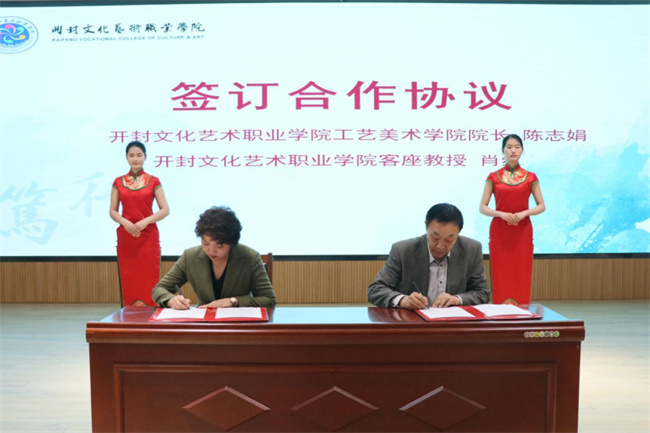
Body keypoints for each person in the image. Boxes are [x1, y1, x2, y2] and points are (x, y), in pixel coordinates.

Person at [368, 203, 490, 309]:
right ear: (426, 226)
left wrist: (457, 299)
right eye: (435, 237)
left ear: (459, 232)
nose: (440, 246)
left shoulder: (471, 249)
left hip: (454, 324)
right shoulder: (403, 250)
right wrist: (404, 300)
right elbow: (376, 290)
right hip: (414, 323)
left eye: (449, 239)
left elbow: (483, 293)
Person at [152, 206, 276, 309]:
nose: (211, 250)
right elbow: (159, 288)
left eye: (219, 246)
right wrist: (171, 300)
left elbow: (269, 300)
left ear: (231, 242)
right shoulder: (190, 256)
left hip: (238, 323)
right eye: (205, 243)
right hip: (204, 322)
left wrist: (234, 301)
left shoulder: (250, 257)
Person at [480, 134, 546, 304]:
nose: (513, 151)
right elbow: (483, 207)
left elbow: (541, 206)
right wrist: (501, 214)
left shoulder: (531, 177)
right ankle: (500, 310)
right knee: (500, 271)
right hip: (500, 231)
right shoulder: (493, 177)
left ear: (522, 150)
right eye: (509, 147)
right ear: (503, 150)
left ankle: (522, 309)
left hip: (522, 230)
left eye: (517, 147)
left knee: (522, 270)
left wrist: (524, 213)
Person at [110, 141, 169, 306]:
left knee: (149, 276)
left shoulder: (153, 181)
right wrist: (125, 222)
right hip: (126, 236)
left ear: (145, 157)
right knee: (128, 275)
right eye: (131, 155)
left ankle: (151, 313)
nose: (135, 159)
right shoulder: (118, 182)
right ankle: (129, 314)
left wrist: (146, 221)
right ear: (126, 158)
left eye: (139, 155)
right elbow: (113, 211)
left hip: (148, 235)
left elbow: (165, 209)